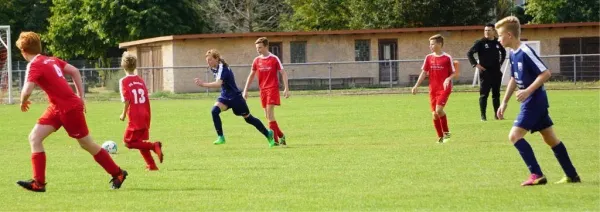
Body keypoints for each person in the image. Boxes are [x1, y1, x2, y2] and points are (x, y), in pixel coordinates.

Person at [16, 32, 127, 192]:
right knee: (35, 137)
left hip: (69, 109)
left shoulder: (34, 64)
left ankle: (118, 173)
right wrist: (81, 96)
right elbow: (74, 70)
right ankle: (38, 183)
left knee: (87, 144)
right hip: (56, 108)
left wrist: (23, 101)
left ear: (23, 51)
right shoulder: (51, 60)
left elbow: (27, 90)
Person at [495, 16, 580, 186]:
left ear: (510, 35)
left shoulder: (526, 51)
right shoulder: (512, 53)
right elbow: (514, 77)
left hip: (534, 101)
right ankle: (572, 175)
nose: (498, 39)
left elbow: (546, 73)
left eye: (500, 35)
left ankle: (536, 174)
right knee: (550, 139)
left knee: (514, 136)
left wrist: (527, 91)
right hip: (534, 101)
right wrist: (504, 102)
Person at [195, 49, 276, 147]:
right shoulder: (214, 67)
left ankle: (268, 134)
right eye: (207, 60)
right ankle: (221, 137)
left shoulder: (223, 68)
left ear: (216, 59)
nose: (208, 62)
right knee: (214, 111)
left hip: (236, 98)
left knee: (248, 118)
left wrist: (203, 84)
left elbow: (218, 83)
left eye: (210, 60)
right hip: (225, 97)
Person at [118, 52, 164, 171]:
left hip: (135, 115)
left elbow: (127, 99)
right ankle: (151, 165)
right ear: (135, 66)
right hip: (145, 113)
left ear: (123, 65)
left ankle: (154, 146)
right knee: (139, 141)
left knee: (128, 142)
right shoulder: (140, 80)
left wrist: (123, 114)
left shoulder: (123, 81)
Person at [242, 37, 289, 147]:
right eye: (257, 48)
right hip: (262, 90)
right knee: (267, 116)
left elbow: (283, 73)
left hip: (272, 89)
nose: (258, 50)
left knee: (269, 114)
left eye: (260, 47)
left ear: (266, 46)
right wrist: (245, 90)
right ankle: (281, 136)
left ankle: (275, 141)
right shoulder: (256, 60)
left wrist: (286, 88)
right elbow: (251, 75)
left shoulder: (274, 58)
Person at [411, 34, 456, 143]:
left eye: (432, 44)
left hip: (444, 88)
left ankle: (447, 134)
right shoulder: (429, 57)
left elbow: (454, 73)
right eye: (430, 44)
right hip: (433, 89)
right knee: (434, 114)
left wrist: (448, 79)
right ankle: (440, 137)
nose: (430, 46)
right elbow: (424, 72)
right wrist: (416, 85)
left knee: (439, 110)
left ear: (440, 44)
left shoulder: (447, 58)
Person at [467, 23, 506, 121]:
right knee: (484, 95)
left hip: (496, 73)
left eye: (489, 30)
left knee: (496, 95)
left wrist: (500, 63)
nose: (487, 32)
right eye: (485, 31)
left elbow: (504, 52)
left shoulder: (498, 42)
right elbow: (469, 53)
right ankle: (483, 116)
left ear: (494, 31)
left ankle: (497, 115)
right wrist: (476, 64)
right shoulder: (480, 43)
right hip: (485, 73)